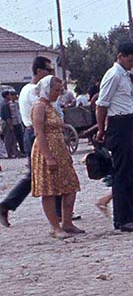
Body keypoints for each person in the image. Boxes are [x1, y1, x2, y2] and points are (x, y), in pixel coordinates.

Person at [95, 42, 133, 233]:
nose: (132, 64)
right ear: (121, 56)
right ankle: (124, 219)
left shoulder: (124, 76)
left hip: (127, 123)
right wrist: (101, 130)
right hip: (118, 124)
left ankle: (127, 216)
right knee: (122, 173)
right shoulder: (114, 75)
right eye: (130, 60)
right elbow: (101, 105)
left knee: (128, 172)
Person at [0, 56, 57, 227]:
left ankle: (8, 204)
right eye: (49, 70)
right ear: (39, 71)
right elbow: (43, 114)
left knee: (37, 174)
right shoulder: (35, 91)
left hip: (30, 132)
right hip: (37, 133)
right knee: (46, 172)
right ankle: (60, 213)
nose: (51, 74)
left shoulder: (26, 89)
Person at [30, 75, 83, 239]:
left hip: (60, 148)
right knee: (49, 189)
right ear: (47, 89)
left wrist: (65, 153)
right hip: (45, 150)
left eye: (60, 90)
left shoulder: (52, 106)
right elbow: (39, 133)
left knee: (71, 185)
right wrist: (48, 157)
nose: (59, 93)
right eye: (56, 90)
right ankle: (55, 227)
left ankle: (67, 222)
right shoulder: (39, 107)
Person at [1, 89, 19, 158]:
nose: (10, 96)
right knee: (8, 138)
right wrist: (11, 126)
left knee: (9, 138)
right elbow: (8, 117)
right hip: (6, 123)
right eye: (9, 95)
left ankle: (12, 152)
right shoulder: (5, 105)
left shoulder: (3, 103)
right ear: (6, 96)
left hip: (4, 122)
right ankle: (9, 154)